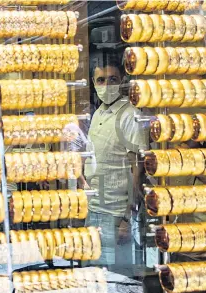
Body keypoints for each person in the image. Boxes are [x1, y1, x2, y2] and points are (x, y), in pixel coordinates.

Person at [81, 51, 149, 271]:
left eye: (113, 80)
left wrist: (128, 218)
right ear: (93, 82)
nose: (106, 85)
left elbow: (137, 169)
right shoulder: (98, 113)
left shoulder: (129, 115)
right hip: (94, 208)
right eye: (101, 80)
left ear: (122, 82)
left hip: (116, 214)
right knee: (93, 274)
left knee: (117, 276)